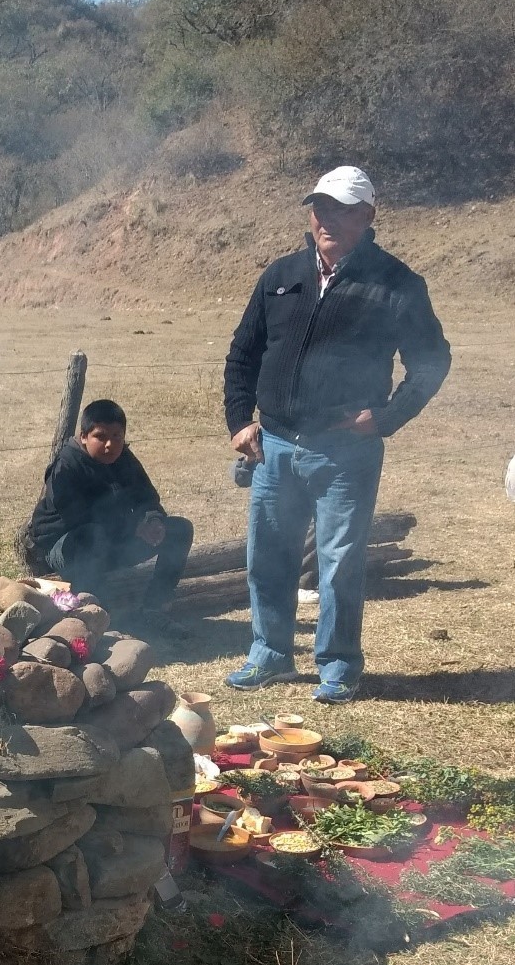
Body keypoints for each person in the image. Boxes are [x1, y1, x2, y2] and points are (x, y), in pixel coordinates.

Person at [223, 165, 450, 704]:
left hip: (346, 451)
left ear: (367, 216)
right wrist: (239, 420)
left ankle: (339, 664)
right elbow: (242, 354)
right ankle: (271, 654)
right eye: (321, 207)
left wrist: (388, 417)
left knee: (340, 562)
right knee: (268, 558)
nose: (328, 218)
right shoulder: (281, 274)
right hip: (274, 445)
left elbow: (432, 361)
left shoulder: (396, 283)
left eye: (343, 209)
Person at [24, 399, 193, 619]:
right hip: (65, 548)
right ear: (84, 436)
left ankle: (155, 607)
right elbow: (78, 517)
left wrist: (152, 521)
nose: (109, 445)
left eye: (116, 437)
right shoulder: (67, 466)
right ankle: (98, 616)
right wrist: (133, 528)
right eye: (100, 436)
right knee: (92, 536)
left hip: (114, 541)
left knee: (180, 529)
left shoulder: (123, 458)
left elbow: (147, 496)